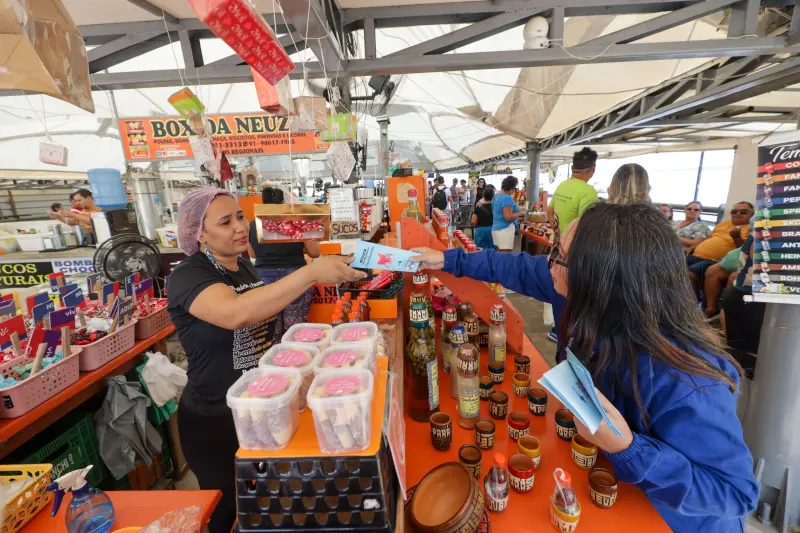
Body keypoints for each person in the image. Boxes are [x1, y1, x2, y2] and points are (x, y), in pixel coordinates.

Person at [411, 202, 758, 533]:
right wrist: (446, 259)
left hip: (664, 518)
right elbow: (515, 268)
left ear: (603, 282)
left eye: (558, 257)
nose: (547, 266)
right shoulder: (573, 290)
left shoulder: (685, 376)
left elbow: (733, 493)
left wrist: (629, 448)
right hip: (601, 484)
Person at [167, 188, 365, 533]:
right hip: (214, 418)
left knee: (263, 502)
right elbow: (236, 313)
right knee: (227, 509)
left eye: (240, 217)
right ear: (199, 233)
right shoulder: (188, 274)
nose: (240, 227)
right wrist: (311, 273)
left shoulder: (244, 265)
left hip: (259, 405)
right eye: (225, 222)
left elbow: (267, 326)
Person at [247, 187, 320, 336]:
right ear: (284, 203)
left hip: (263, 278)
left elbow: (253, 253)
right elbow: (314, 252)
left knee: (271, 331)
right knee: (295, 331)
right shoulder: (297, 222)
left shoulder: (252, 225)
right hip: (295, 277)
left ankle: (274, 357)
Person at [687, 202, 754, 292]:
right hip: (695, 255)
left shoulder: (751, 229)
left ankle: (692, 302)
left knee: (689, 275)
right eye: (734, 211)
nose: (738, 214)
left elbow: (745, 251)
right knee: (671, 267)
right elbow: (709, 238)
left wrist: (736, 237)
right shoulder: (724, 223)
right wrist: (694, 246)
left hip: (714, 260)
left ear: (752, 214)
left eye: (743, 212)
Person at [547, 147, 598, 232]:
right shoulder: (588, 191)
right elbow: (586, 227)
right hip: (575, 244)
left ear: (573, 168)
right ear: (593, 168)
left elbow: (549, 210)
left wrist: (556, 231)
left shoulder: (562, 185)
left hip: (560, 243)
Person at [491, 175, 525, 253]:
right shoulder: (506, 198)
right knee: (505, 256)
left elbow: (497, 212)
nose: (514, 191)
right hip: (505, 230)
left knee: (499, 255)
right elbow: (508, 217)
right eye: (514, 188)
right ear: (511, 188)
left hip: (496, 228)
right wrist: (519, 213)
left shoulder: (496, 196)